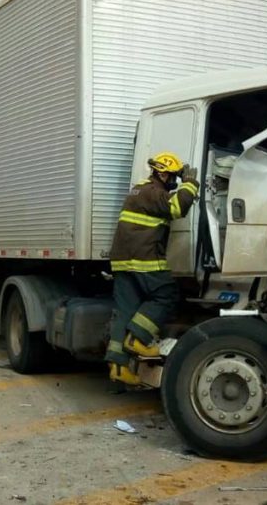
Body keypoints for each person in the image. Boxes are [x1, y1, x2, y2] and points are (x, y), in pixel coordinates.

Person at [106, 152, 199, 385]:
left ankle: (119, 368)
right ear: (162, 173)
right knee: (166, 295)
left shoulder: (139, 190)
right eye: (173, 177)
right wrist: (190, 183)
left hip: (123, 261)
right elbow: (177, 208)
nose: (173, 182)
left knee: (126, 311)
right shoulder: (152, 193)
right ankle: (138, 338)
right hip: (143, 259)